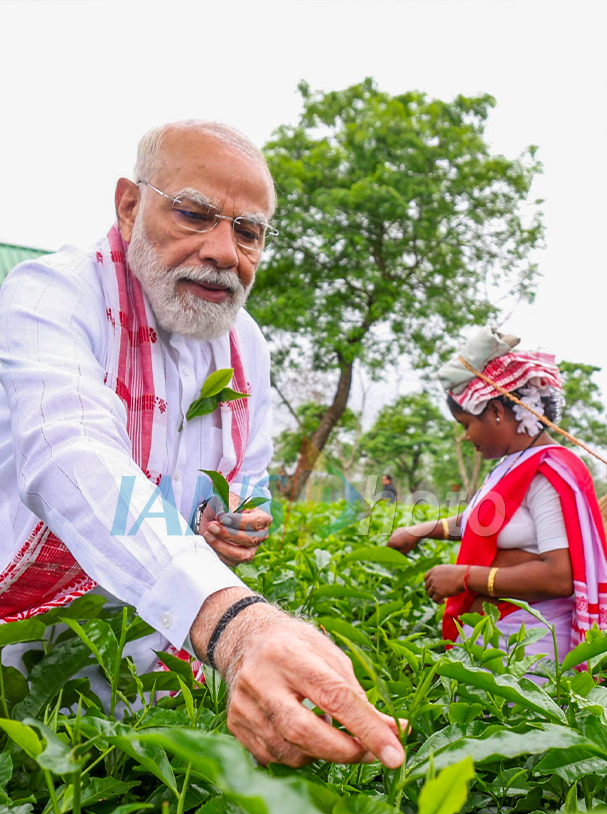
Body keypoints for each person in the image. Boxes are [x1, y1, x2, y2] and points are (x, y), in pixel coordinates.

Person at [0, 120, 405, 771]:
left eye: (248, 232)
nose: (223, 251)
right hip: (26, 642)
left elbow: (246, 473)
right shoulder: (52, 296)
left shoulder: (244, 344)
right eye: (194, 214)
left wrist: (237, 521)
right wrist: (234, 623)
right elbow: (66, 450)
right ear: (130, 205)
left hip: (157, 647)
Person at [388, 329, 607, 664]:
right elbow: (484, 522)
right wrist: (420, 530)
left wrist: (463, 577)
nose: (465, 437)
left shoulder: (547, 472)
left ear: (496, 411)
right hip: (501, 641)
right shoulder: (512, 465)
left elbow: (559, 576)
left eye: (465, 424)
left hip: (532, 651)